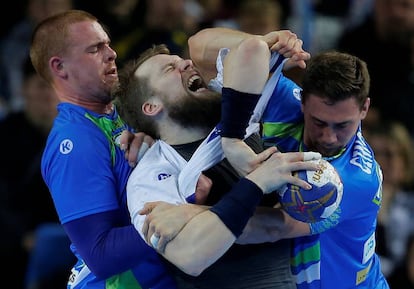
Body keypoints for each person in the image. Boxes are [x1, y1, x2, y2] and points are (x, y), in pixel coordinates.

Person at [144, 27, 390, 288]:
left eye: (342, 125)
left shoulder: (357, 178)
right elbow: (199, 49)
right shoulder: (284, 103)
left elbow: (274, 226)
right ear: (303, 101)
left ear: (365, 108)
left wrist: (191, 214)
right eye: (319, 122)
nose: (329, 137)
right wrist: (261, 43)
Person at [115, 32, 319, 288]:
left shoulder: (234, 107)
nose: (187, 64)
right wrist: (256, 182)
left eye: (182, 60)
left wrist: (274, 39)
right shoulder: (150, 175)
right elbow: (191, 257)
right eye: (170, 68)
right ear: (152, 107)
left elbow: (252, 49)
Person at [29, 9, 176, 289]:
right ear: (60, 68)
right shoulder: (74, 142)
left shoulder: (121, 112)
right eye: (95, 49)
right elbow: (101, 255)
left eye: (107, 44)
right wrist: (185, 211)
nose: (112, 54)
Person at [336, 0, 414, 137]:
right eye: (388, 4)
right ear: (376, 5)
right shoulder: (354, 42)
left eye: (405, 5)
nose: (396, 12)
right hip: (363, 130)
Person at [364, 120, 414, 276]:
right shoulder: (356, 202)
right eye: (374, 154)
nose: (380, 162)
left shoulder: (410, 205)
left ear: (405, 161)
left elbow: (396, 256)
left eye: (388, 154)